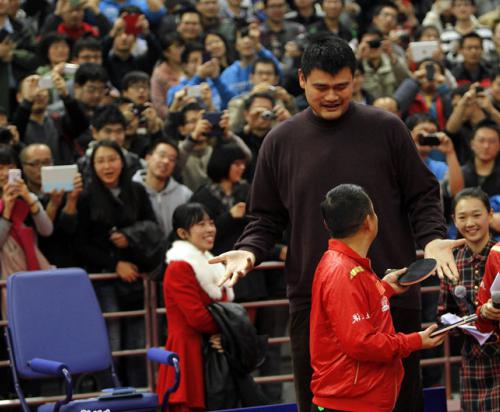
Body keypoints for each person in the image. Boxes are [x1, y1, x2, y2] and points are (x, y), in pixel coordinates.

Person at [210, 35, 465, 412]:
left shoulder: (387, 128)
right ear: (301, 80)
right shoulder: (280, 141)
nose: (332, 96)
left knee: (400, 402)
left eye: (341, 86)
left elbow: (424, 193)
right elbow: (264, 217)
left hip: (391, 294)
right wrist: (249, 250)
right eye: (321, 87)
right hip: (314, 304)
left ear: (356, 80)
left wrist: (432, 239)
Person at [310, 184, 445, 412]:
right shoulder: (341, 272)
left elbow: (355, 307)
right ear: (368, 222)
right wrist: (415, 341)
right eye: (374, 211)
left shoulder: (348, 264)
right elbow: (361, 343)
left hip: (360, 400)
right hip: (349, 403)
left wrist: (385, 288)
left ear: (326, 224)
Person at [76, 139, 161, 387]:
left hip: (138, 280)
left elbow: (153, 227)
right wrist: (115, 264)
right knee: (112, 346)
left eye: (112, 159)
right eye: (100, 161)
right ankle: (112, 397)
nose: (107, 166)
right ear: (92, 166)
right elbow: (80, 246)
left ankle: (142, 399)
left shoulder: (137, 191)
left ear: (122, 162)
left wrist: (130, 238)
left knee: (139, 346)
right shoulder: (86, 197)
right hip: (105, 281)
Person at [155, 202, 234, 410]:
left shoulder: (212, 263)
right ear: (182, 232)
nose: (210, 229)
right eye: (201, 224)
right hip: (188, 352)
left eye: (211, 223)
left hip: (213, 349)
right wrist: (226, 329)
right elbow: (196, 317)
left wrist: (224, 333)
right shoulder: (179, 266)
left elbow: (225, 308)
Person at [437, 188, 499, 412]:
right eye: (462, 217)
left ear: (490, 215)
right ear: (454, 220)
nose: (470, 223)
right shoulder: (451, 261)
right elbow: (442, 313)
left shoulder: (499, 254)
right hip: (472, 364)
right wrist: (460, 325)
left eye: (477, 215)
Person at [132, 138, 192, 239]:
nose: (166, 161)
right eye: (162, 155)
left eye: (172, 159)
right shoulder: (130, 190)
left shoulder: (184, 194)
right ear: (148, 157)